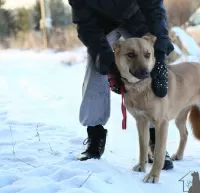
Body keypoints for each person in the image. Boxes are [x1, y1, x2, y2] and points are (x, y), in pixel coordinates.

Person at [68, 0, 175, 170]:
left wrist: (160, 53)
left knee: (149, 66)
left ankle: (154, 141)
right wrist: (108, 63)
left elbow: (154, 7)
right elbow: (84, 23)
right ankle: (95, 138)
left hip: (137, 16)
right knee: (95, 68)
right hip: (100, 26)